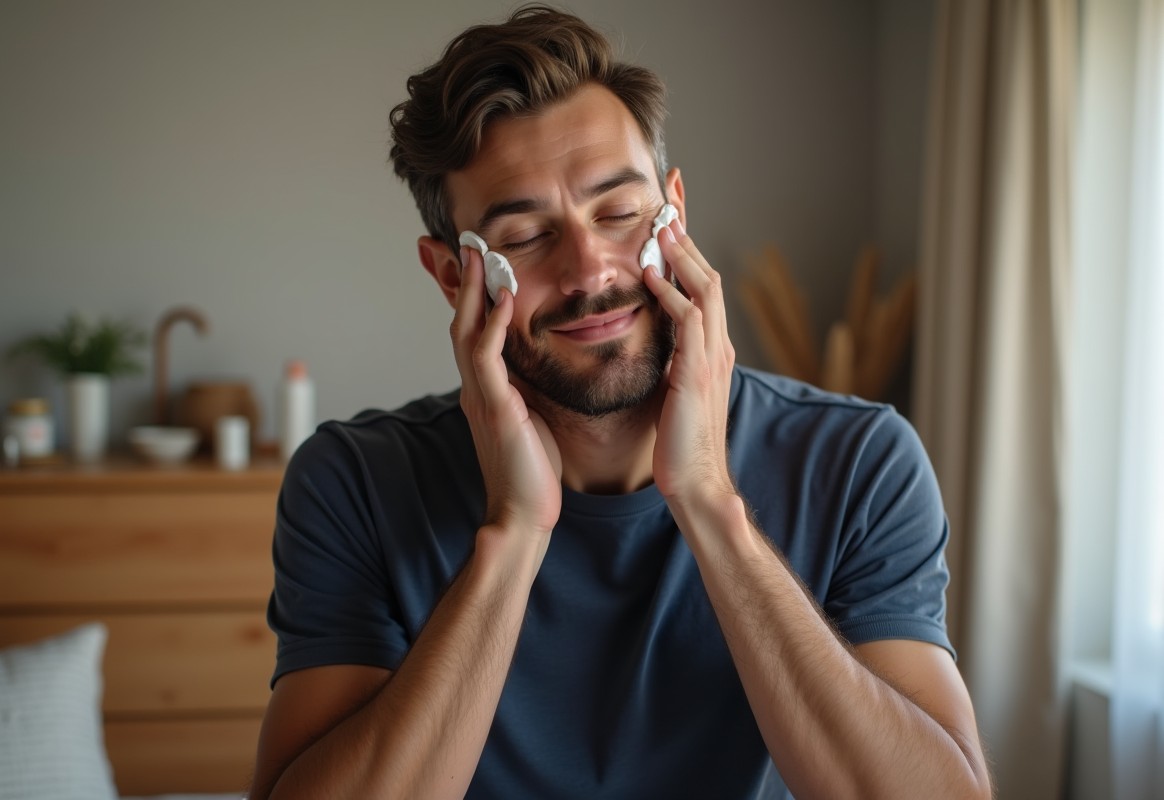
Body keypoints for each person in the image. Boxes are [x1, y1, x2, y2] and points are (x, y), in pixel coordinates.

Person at [248, 7, 991, 800]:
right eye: (527, 234)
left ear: (674, 209)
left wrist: (707, 499)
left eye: (618, 212)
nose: (590, 270)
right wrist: (514, 535)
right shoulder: (354, 482)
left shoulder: (860, 462)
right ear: (453, 277)